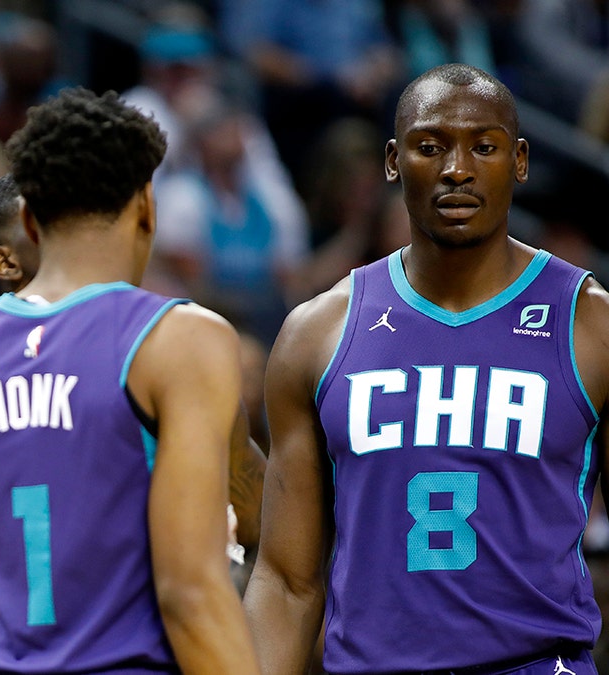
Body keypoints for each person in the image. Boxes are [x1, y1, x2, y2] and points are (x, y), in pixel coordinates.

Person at [244, 63, 607, 674]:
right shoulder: (316, 333)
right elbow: (285, 580)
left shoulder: (591, 324)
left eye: (484, 147)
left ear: (519, 161)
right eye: (430, 146)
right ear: (393, 160)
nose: (457, 169)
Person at [0, 87, 260, 672]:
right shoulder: (179, 339)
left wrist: (35, 569)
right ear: (146, 207)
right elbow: (190, 594)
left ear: (31, 220)